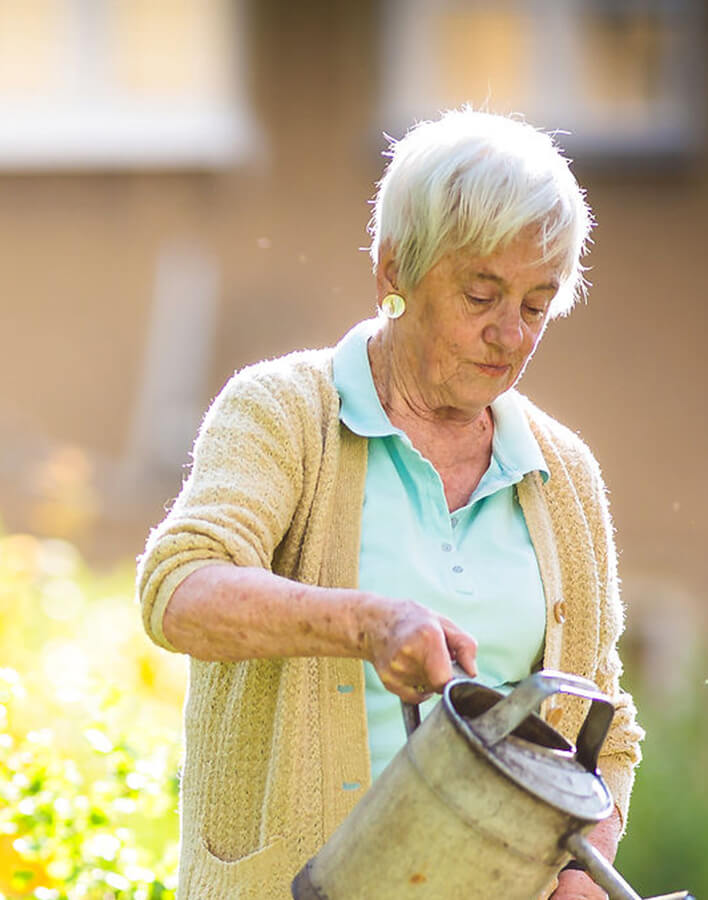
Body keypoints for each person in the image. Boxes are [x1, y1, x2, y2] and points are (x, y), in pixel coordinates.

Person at [135, 108, 643, 900]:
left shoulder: (563, 473)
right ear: (395, 271)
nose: (510, 333)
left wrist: (581, 865)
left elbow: (603, 731)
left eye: (537, 305)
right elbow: (180, 590)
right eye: (482, 294)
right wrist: (367, 625)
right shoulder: (284, 413)